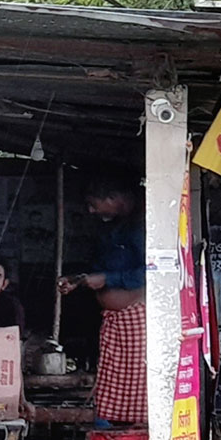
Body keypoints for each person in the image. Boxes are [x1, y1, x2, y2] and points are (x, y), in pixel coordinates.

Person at [60, 179, 146, 426]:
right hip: (115, 322)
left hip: (137, 320)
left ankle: (135, 439)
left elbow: (152, 271)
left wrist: (108, 279)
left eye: (93, 204)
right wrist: (79, 280)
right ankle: (108, 436)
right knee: (112, 385)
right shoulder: (114, 228)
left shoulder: (142, 227)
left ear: (113, 197)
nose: (91, 210)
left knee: (137, 389)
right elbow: (100, 270)